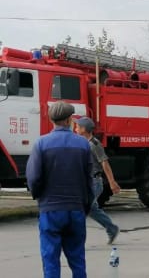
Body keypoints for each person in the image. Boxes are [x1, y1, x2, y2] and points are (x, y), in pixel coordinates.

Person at [26, 101, 93, 278]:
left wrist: (39, 197)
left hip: (50, 210)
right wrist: (86, 205)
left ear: (51, 119)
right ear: (70, 119)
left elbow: (33, 178)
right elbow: (89, 180)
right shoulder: (83, 145)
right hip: (76, 209)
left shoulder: (41, 143)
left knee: (50, 260)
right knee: (78, 259)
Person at [74, 116, 120, 245]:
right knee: (92, 209)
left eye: (77, 126)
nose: (75, 128)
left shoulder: (95, 144)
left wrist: (112, 182)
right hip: (86, 182)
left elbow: (104, 163)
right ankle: (112, 228)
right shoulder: (82, 143)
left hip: (95, 182)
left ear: (83, 129)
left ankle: (74, 241)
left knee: (81, 210)